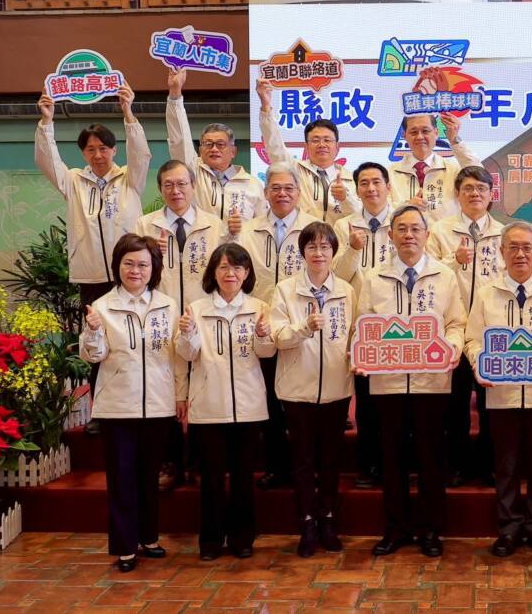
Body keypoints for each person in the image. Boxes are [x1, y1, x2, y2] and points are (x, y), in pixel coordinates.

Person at [36, 83, 149, 436]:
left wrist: (129, 113)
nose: (98, 155)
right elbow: (47, 161)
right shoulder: (73, 181)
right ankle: (100, 411)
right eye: (90, 149)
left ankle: (143, 404)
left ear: (114, 150)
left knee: (134, 339)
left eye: (103, 148)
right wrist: (47, 122)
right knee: (97, 342)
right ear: (83, 153)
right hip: (92, 278)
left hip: (129, 277)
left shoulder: (130, 177)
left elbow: (142, 153)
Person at [357, 205, 466, 558]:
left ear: (427, 234)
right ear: (390, 235)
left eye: (415, 229)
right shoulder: (374, 277)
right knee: (392, 459)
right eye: (401, 229)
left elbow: (456, 323)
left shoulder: (444, 275)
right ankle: (396, 528)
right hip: (387, 383)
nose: (408, 235)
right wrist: (361, 354)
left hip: (431, 382)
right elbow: (362, 325)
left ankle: (431, 529)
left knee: (431, 458)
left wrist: (452, 348)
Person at [463, 221, 532, 558]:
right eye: (513, 247)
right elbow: (472, 340)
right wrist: (480, 362)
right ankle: (509, 528)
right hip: (501, 395)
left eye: (527, 247)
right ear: (501, 252)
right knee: (506, 465)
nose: (520, 254)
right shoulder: (487, 294)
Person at [79, 234, 180, 573]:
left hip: (159, 402)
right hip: (118, 405)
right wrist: (93, 331)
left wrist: (180, 395)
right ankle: (125, 546)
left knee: (149, 475)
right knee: (122, 477)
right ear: (117, 266)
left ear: (154, 268)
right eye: (129, 264)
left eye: (143, 265)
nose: (136, 270)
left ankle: (149, 537)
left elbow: (178, 355)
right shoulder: (102, 307)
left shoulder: (168, 305)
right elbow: (94, 355)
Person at [175, 243, 276, 561]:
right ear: (213, 273)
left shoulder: (259, 307)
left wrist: (263, 335)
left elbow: (267, 353)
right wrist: (188, 333)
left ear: (247, 273)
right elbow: (186, 354)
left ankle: (243, 539)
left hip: (248, 406)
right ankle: (210, 541)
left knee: (244, 477)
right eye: (223, 267)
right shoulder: (196, 309)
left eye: (237, 267)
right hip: (209, 406)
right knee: (212, 479)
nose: (230, 273)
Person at [135, 160, 225, 490]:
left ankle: (201, 460)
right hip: (161, 315)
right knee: (167, 387)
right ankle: (171, 462)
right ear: (160, 189)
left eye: (182, 184)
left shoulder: (213, 224)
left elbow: (222, 272)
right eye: (168, 185)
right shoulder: (145, 225)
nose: (176, 191)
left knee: (203, 382)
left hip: (203, 315)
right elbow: (137, 274)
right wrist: (151, 252)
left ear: (193, 186)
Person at [270, 221, 355, 557]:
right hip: (297, 390)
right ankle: (306, 522)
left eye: (325, 247)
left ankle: (328, 519)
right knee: (303, 462)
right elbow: (278, 338)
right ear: (302, 252)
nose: (318, 253)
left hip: (336, 388)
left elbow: (353, 335)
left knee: (331, 460)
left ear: (334, 252)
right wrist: (304, 328)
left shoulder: (346, 290)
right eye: (311, 247)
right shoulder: (285, 290)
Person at [239, 162, 320, 490]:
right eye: (276, 188)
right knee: (270, 400)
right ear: (266, 192)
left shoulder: (313, 228)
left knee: (303, 404)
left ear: (299, 193)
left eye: (289, 188)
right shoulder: (249, 230)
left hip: (301, 326)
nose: (282, 194)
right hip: (262, 326)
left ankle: (308, 468)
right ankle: (277, 467)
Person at [428, 166, 505, 487]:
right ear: (457, 195)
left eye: (481, 189)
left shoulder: (503, 233)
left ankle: (489, 466)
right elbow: (427, 274)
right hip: (453, 330)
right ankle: (456, 465)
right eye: (468, 188)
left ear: (491, 195)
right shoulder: (439, 231)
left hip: (491, 332)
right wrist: (454, 260)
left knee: (492, 405)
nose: (475, 194)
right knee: (454, 405)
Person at [332, 161, 396, 489]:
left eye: (377, 182)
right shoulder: (343, 225)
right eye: (364, 183)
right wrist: (352, 250)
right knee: (367, 402)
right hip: (358, 325)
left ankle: (396, 465)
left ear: (388, 186)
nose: (371, 189)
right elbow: (335, 277)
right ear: (356, 190)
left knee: (395, 403)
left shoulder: (403, 222)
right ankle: (369, 466)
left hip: (397, 324)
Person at [166, 69, 266, 225]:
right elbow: (179, 140)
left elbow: (261, 228)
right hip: (200, 240)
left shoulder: (252, 184)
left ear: (233, 151)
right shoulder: (192, 173)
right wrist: (175, 94)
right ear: (200, 150)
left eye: (220, 144)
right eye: (208, 144)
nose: (214, 149)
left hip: (238, 242)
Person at [257, 78, 362, 223]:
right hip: (301, 235)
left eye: (327, 140)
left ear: (337, 147)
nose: (322, 145)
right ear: (306, 146)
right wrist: (266, 106)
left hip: (338, 237)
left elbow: (362, 216)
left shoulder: (351, 179)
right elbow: (273, 144)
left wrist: (346, 198)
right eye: (315, 140)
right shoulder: (294, 170)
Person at [389, 113, 481, 221]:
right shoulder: (390, 173)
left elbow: (479, 175)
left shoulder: (453, 170)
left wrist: (455, 140)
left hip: (447, 232)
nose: (420, 137)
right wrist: (406, 208)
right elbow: (380, 210)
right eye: (414, 132)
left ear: (436, 133)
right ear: (404, 135)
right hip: (407, 231)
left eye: (425, 131)